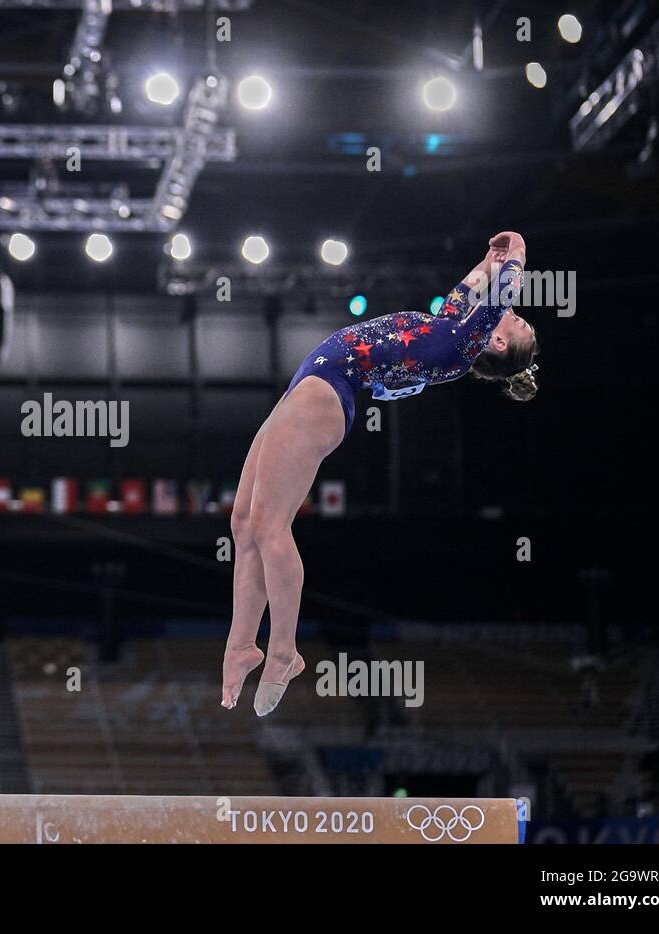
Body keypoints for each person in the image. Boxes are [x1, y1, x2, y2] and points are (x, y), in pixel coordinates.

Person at [222, 231, 538, 715]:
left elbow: (502, 290)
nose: (512, 313)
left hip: (328, 391)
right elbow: (471, 287)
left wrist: (515, 253)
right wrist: (490, 258)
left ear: (496, 339)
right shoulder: (455, 325)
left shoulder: (462, 347)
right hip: (310, 385)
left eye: (516, 322)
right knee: (243, 522)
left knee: (269, 526)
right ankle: (243, 644)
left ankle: (283, 651)